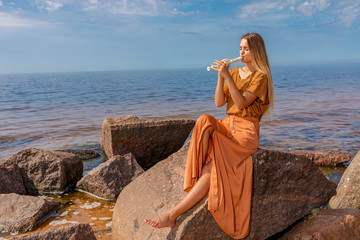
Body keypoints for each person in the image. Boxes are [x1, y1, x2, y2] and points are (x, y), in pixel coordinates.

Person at [145, 32, 274, 239]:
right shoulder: (235, 72)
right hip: (227, 125)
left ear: (256, 51)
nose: (241, 52)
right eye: (240, 48)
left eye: (246, 48)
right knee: (204, 119)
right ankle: (201, 172)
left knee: (211, 168)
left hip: (245, 132)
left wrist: (227, 76)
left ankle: (172, 214)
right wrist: (220, 75)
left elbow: (241, 104)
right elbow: (219, 103)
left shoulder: (260, 77)